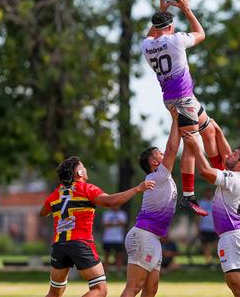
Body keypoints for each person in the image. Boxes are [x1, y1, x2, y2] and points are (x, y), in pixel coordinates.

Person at [142, 0, 224, 216]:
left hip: (172, 98)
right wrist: (186, 8)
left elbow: (152, 34)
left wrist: (163, 9)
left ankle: (223, 172)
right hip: (183, 99)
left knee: (211, 129)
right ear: (170, 27)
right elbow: (201, 33)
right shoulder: (176, 40)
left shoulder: (146, 47)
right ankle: (189, 196)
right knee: (191, 144)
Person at [39, 156, 155, 297]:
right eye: (82, 166)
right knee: (99, 289)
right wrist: (137, 189)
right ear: (79, 173)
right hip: (80, 243)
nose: (85, 168)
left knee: (54, 293)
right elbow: (111, 201)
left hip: (59, 246)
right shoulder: (86, 189)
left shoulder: (55, 194)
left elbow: (43, 213)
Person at [182, 120, 240, 297]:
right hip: (237, 236)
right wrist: (216, 130)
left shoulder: (233, 179)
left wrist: (196, 147)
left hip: (235, 237)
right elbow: (225, 153)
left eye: (234, 154)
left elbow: (205, 171)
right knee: (235, 285)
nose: (229, 155)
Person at [120, 108, 180, 297]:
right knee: (134, 287)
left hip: (152, 238)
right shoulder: (159, 175)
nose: (164, 154)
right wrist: (175, 120)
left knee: (151, 289)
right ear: (154, 163)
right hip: (143, 236)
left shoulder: (162, 177)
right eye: (159, 154)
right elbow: (172, 149)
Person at [101, 206, 128, 275]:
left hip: (118, 238)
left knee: (119, 255)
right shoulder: (106, 213)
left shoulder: (122, 214)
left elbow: (123, 224)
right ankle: (105, 272)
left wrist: (111, 224)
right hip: (107, 238)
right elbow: (105, 224)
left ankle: (119, 272)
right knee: (106, 255)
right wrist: (117, 223)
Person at [197, 188, 218, 265]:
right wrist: (198, 228)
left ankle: (216, 262)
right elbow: (198, 217)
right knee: (205, 246)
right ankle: (208, 262)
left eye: (209, 192)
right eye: (207, 192)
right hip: (204, 228)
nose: (208, 194)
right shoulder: (201, 203)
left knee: (216, 246)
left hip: (214, 228)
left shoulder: (215, 202)